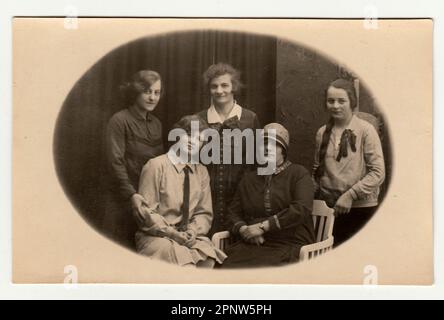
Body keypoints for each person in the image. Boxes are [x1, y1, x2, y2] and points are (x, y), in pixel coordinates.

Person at [135, 115, 227, 267]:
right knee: (186, 265)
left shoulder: (201, 171)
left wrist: (193, 230)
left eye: (199, 139)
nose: (192, 141)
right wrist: (172, 233)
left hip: (187, 237)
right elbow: (146, 213)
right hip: (157, 236)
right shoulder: (156, 166)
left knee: (208, 260)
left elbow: (204, 213)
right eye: (189, 135)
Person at [220, 123, 315, 268]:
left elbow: (301, 209)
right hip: (254, 242)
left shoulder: (298, 174)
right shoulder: (249, 179)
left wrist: (263, 227)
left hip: (290, 242)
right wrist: (245, 230)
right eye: (263, 144)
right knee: (227, 267)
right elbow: (233, 213)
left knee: (263, 270)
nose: (267, 148)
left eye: (274, 144)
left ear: (283, 151)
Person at [312, 78, 385, 247]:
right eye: (331, 101)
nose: (335, 105)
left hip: (361, 210)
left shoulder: (366, 130)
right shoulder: (322, 132)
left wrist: (350, 195)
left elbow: (378, 173)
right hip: (330, 211)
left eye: (341, 101)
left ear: (351, 102)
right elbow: (317, 170)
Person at [196, 63, 261, 235]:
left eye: (224, 85)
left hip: (240, 192)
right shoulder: (200, 119)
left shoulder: (249, 118)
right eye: (214, 86)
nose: (219, 91)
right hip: (209, 194)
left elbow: (257, 160)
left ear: (234, 87)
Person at [102, 70, 164, 248]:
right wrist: (132, 195)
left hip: (147, 200)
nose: (152, 97)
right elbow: (115, 163)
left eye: (157, 92)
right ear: (136, 91)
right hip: (121, 200)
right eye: (147, 91)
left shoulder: (157, 124)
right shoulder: (119, 121)